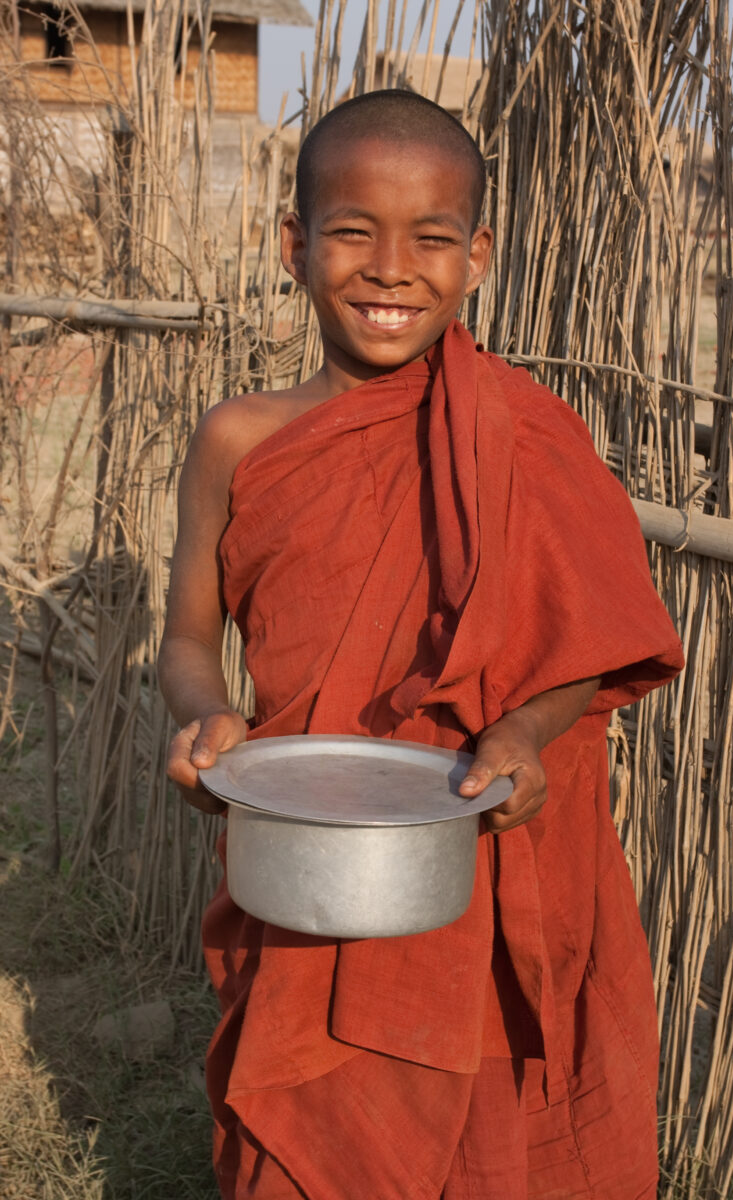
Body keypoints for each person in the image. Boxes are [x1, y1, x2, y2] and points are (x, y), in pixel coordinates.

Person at [158, 89, 684, 1199]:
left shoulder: (525, 433)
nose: (390, 270)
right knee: (310, 1130)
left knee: (494, 1131)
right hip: (308, 842)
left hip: (478, 843)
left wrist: (525, 732)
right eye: (353, 231)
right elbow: (189, 638)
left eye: (431, 239)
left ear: (476, 255)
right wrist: (206, 717)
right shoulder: (240, 438)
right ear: (295, 245)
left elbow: (588, 638)